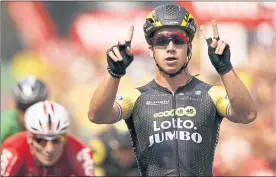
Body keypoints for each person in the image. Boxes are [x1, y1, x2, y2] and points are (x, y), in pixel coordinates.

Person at [87, 4, 257, 176]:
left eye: (178, 40)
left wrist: (225, 69)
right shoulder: (136, 97)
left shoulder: (211, 95)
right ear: (151, 49)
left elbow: (247, 115)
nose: (170, 48)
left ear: (189, 47)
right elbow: (97, 115)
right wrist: (114, 73)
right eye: (161, 41)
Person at [1, 100, 94, 176]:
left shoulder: (80, 152)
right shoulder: (13, 149)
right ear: (29, 138)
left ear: (65, 138)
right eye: (41, 140)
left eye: (57, 140)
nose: (49, 149)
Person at [1, 75, 48, 144]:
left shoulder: (52, 121)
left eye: (35, 108)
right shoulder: (5, 123)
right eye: (24, 108)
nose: (29, 114)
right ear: (16, 106)